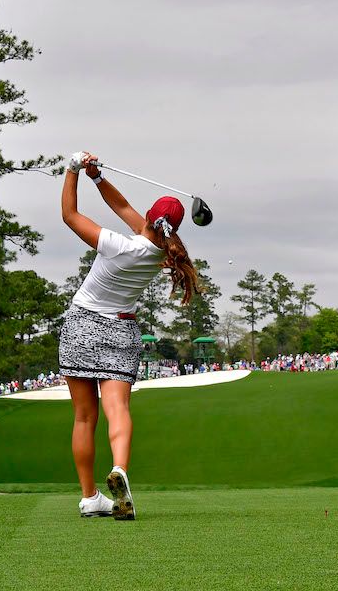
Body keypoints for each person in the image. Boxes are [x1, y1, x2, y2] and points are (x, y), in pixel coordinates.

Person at [59, 151, 201, 521]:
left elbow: (70, 216)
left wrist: (72, 171)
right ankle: (119, 469)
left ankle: (90, 496)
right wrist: (98, 178)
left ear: (151, 219)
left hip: (81, 325)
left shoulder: (120, 245)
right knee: (117, 409)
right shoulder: (162, 254)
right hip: (120, 329)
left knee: (84, 418)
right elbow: (121, 205)